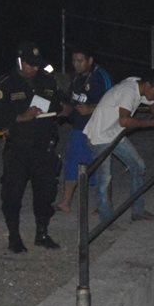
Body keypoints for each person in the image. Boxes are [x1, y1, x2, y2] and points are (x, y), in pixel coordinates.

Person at [0, 42, 66, 253]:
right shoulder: (6, 83)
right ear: (19, 61)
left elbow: (58, 104)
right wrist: (21, 117)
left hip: (43, 148)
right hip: (18, 149)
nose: (34, 68)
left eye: (36, 64)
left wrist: (65, 109)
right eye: (30, 64)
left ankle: (42, 234)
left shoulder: (46, 80)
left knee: (45, 193)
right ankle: (14, 237)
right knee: (12, 195)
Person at [84, 73, 154, 224]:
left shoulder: (139, 86)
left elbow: (153, 104)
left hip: (115, 134)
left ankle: (137, 210)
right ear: (147, 85)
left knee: (138, 166)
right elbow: (124, 121)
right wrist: (152, 123)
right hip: (99, 136)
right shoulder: (128, 92)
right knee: (105, 180)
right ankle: (106, 220)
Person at [57, 46, 112, 213]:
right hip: (79, 128)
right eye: (74, 60)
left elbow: (112, 103)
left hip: (97, 129)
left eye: (80, 61)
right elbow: (73, 100)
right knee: (72, 162)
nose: (76, 64)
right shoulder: (76, 77)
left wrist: (91, 109)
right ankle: (66, 202)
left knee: (100, 166)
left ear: (90, 60)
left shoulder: (101, 77)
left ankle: (102, 205)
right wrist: (65, 109)